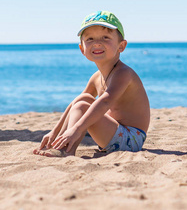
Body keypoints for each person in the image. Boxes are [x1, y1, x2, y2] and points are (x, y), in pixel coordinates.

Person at [33, 11, 150, 157]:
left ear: (121, 46)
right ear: (82, 48)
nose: (97, 43)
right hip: (113, 132)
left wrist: (76, 129)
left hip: (131, 139)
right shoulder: (96, 77)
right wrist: (54, 131)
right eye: (90, 39)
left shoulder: (123, 73)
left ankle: (66, 150)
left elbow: (105, 102)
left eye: (105, 37)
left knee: (83, 106)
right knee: (83, 100)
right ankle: (59, 142)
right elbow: (76, 102)